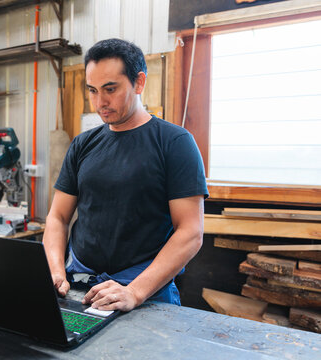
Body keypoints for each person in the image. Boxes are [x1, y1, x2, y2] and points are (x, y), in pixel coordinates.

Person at [43, 38, 209, 312]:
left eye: (110, 89)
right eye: (93, 91)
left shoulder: (174, 142)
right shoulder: (82, 144)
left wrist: (135, 292)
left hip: (145, 292)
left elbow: (191, 232)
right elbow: (58, 217)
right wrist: (56, 270)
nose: (100, 102)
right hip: (81, 285)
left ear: (139, 82)